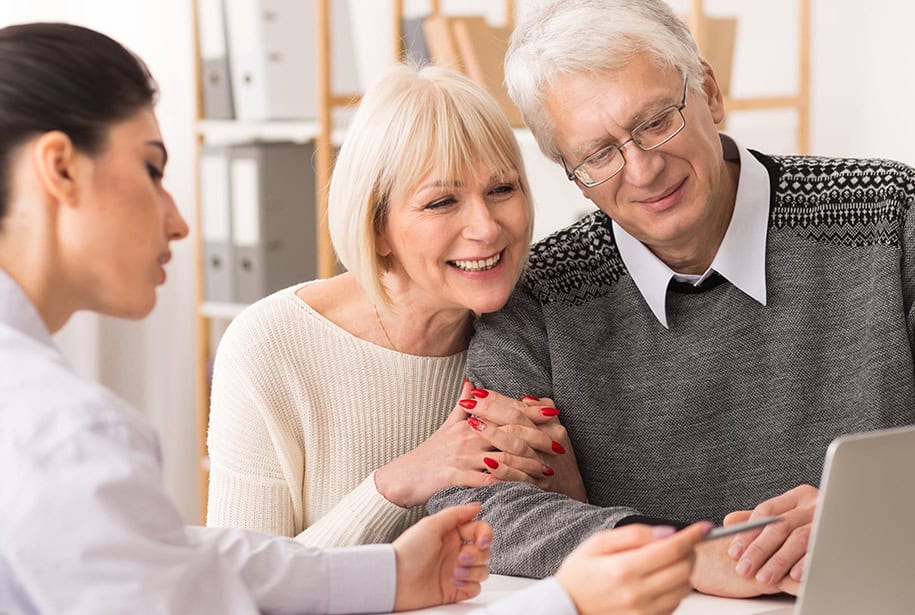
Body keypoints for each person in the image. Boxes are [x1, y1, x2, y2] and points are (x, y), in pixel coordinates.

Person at [0, 22, 494, 614]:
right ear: (59, 168)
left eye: (504, 189)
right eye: (152, 170)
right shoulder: (64, 433)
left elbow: (181, 560)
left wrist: (391, 574)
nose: (180, 221)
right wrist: (564, 603)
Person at [428, 0, 915, 600]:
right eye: (598, 154)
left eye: (657, 121)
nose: (643, 169)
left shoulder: (894, 217)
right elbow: (476, 506)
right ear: (568, 171)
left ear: (708, 92)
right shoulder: (540, 296)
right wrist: (680, 552)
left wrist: (877, 512)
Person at [205, 63, 586, 549]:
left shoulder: (536, 328)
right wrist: (396, 486)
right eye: (441, 202)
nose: (487, 227)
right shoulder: (269, 346)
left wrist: (567, 488)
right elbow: (239, 587)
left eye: (501, 189)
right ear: (377, 227)